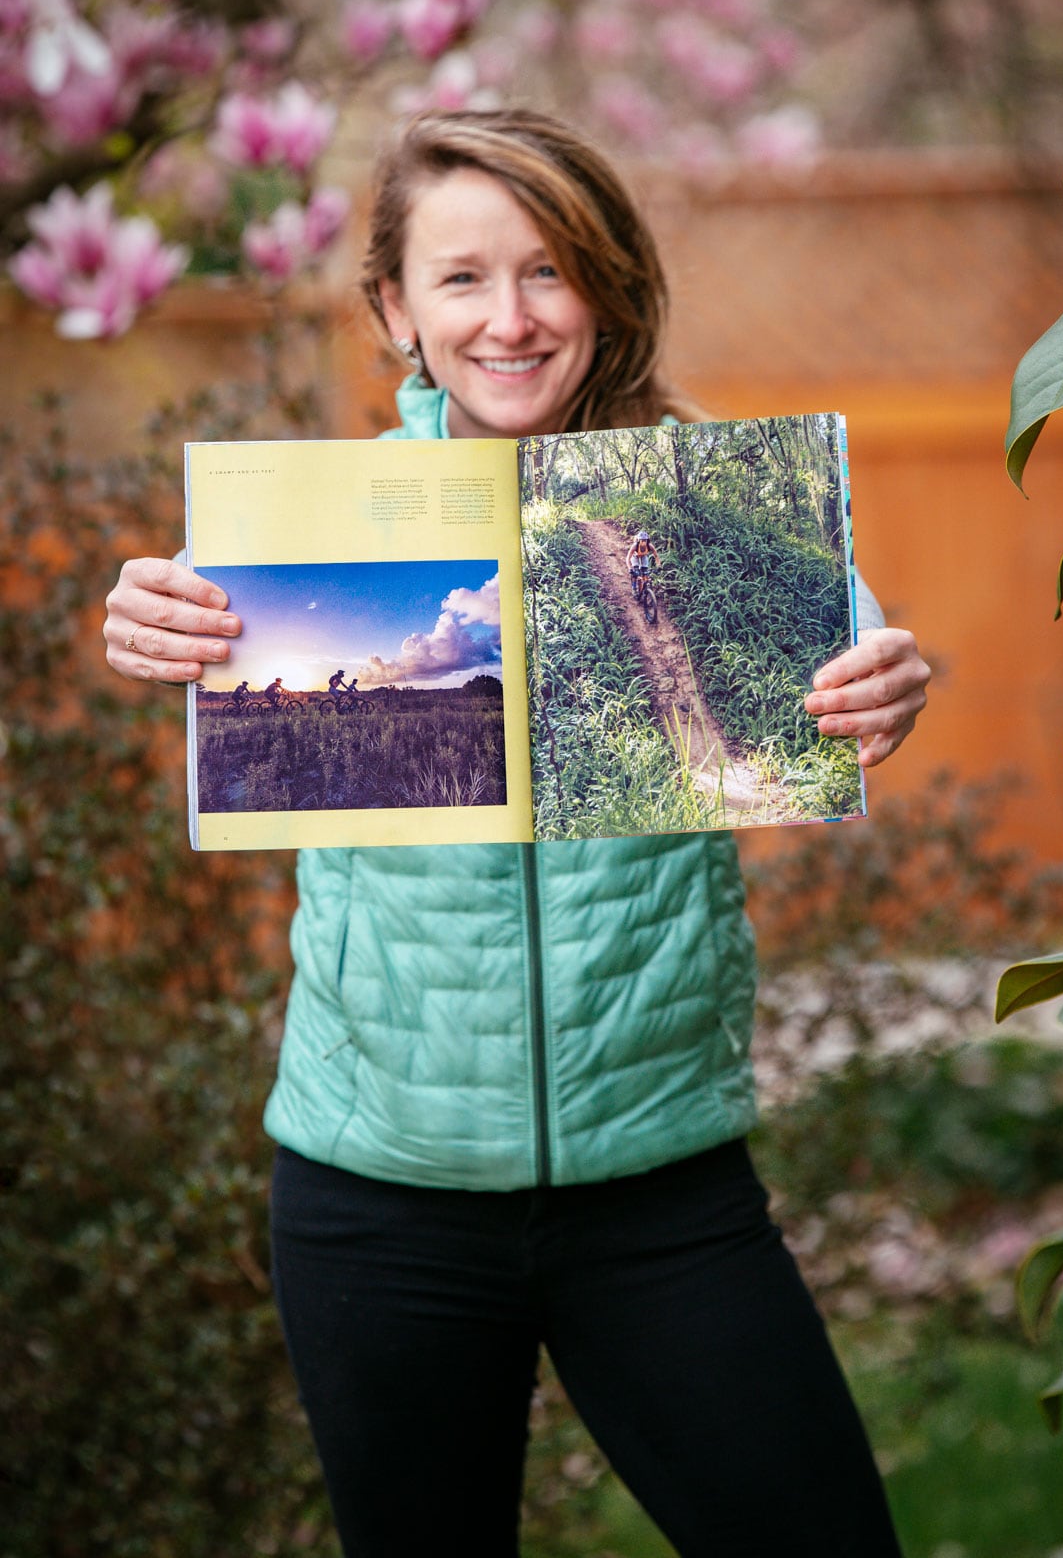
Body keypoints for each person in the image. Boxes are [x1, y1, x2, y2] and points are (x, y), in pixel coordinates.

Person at [102, 109, 930, 1558]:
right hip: (378, 1205)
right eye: (463, 278)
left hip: (663, 1195)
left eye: (548, 270)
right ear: (396, 311)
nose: (509, 317)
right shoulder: (309, 526)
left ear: (603, 290)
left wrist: (881, 682)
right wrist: (156, 617)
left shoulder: (708, 512)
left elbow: (850, 663)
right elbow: (204, 626)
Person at [626, 528, 661, 600]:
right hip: (635, 556)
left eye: (645, 540)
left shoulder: (650, 546)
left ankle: (645, 590)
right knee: (635, 572)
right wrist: (630, 568)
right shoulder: (635, 546)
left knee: (645, 573)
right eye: (642, 540)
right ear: (639, 540)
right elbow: (628, 558)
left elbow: (656, 556)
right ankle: (634, 588)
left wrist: (659, 566)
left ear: (647, 541)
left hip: (644, 556)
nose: (644, 543)